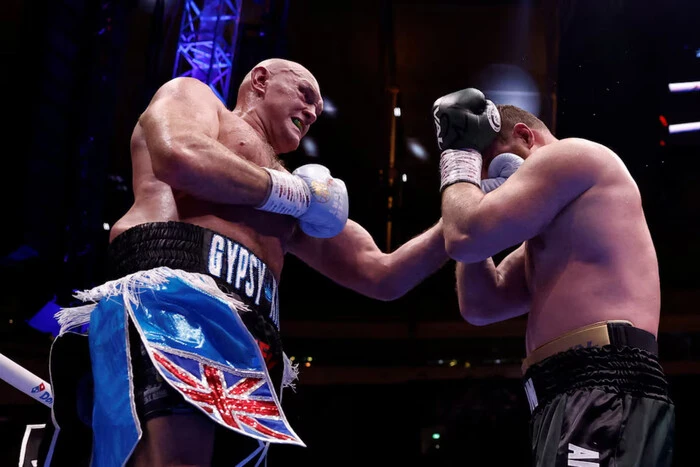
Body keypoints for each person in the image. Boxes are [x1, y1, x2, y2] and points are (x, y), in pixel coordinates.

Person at [38, 58, 449, 467]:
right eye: (305, 95)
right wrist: (292, 194)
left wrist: (463, 200)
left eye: (317, 110)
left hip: (252, 338)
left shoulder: (295, 197)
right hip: (175, 300)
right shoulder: (197, 99)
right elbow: (178, 154)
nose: (311, 112)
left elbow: (382, 274)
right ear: (261, 80)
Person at [431, 88, 675, 466]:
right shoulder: (548, 240)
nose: (500, 187)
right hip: (563, 394)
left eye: (495, 165)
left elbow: (464, 237)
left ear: (525, 137)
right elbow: (480, 305)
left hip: (603, 384)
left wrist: (460, 159)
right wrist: (476, 195)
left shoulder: (573, 155)